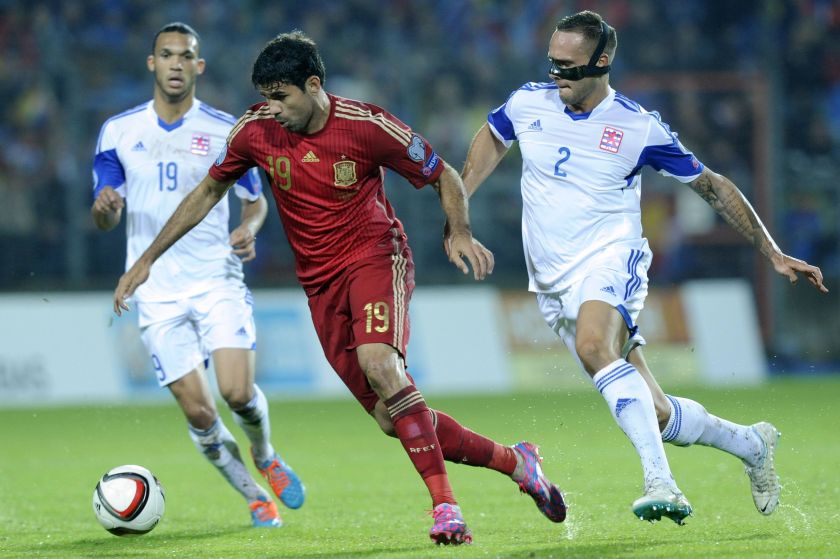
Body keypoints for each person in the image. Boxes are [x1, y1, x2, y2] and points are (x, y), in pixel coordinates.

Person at [112, 30, 567, 545]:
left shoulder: (367, 126)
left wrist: (459, 230)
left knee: (382, 366)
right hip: (320, 285)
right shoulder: (254, 131)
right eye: (266, 97)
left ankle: (446, 509)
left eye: (281, 97)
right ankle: (516, 462)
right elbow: (209, 190)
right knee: (393, 418)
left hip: (375, 258)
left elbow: (443, 174)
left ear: (313, 84)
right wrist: (148, 257)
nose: (273, 109)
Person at [459, 10, 829, 525]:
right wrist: (460, 212)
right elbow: (491, 138)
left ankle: (663, 484)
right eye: (552, 64)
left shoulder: (637, 126)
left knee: (594, 347)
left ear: (602, 60)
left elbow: (714, 186)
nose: (557, 76)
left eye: (568, 67)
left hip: (613, 256)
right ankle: (751, 444)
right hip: (551, 280)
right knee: (652, 411)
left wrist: (772, 251)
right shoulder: (527, 102)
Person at [92, 22, 305, 529]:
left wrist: (249, 229)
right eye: (166, 55)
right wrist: (106, 208)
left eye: (185, 56)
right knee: (201, 414)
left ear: (198, 66)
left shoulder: (226, 129)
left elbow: (256, 203)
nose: (175, 64)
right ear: (152, 63)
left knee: (236, 394)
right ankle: (255, 496)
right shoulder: (119, 132)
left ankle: (265, 453)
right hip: (157, 294)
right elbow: (104, 213)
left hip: (216, 278)